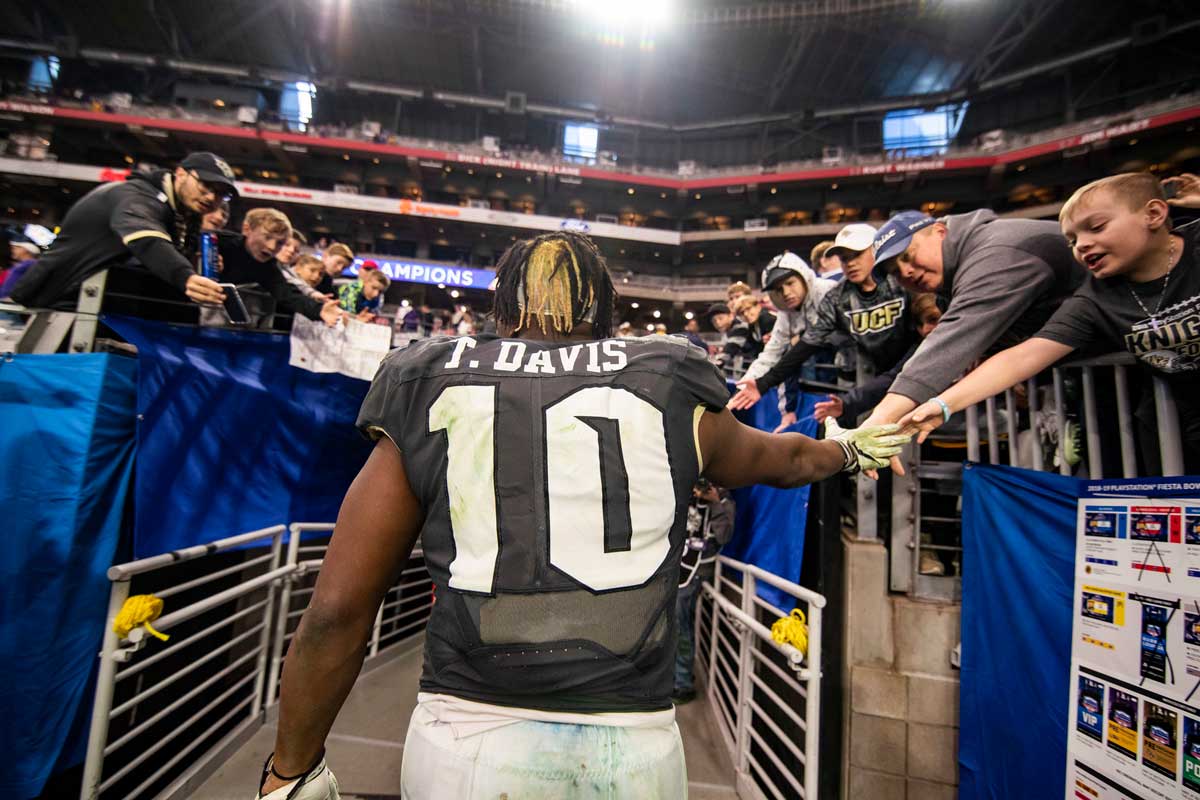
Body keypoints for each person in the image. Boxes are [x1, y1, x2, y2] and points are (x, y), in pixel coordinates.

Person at [256, 230, 910, 800]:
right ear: (604, 310)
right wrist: (846, 449)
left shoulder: (431, 373)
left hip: (464, 735)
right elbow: (784, 460)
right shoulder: (668, 374)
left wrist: (293, 769)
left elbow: (339, 609)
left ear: (502, 304)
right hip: (632, 746)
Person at [901, 173, 1200, 472]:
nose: (1082, 245)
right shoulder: (1094, 300)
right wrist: (944, 405)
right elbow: (1023, 357)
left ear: (1154, 214)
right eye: (1072, 240)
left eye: (1096, 228)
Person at [857, 207, 1086, 437]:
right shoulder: (948, 289)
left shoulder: (996, 251)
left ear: (940, 231)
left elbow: (951, 343)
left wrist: (882, 416)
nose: (905, 271)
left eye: (907, 256)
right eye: (895, 271)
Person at [729, 223, 916, 421]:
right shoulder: (837, 297)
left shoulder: (900, 279)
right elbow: (800, 347)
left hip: (910, 366)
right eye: (844, 258)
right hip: (863, 376)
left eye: (857, 255)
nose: (850, 263)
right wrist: (760, 383)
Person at [8, 151, 235, 310]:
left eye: (221, 194)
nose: (211, 197)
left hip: (107, 310)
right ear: (181, 173)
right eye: (206, 185)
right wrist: (186, 276)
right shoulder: (135, 195)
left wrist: (193, 264)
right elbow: (146, 239)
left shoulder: (185, 214)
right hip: (59, 305)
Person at [724, 251, 836, 409]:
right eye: (778, 289)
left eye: (790, 283)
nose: (786, 293)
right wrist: (741, 389)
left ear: (804, 277)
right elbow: (771, 354)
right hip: (836, 380)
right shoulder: (786, 314)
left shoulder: (828, 291)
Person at [815, 293, 941, 423]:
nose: (927, 329)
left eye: (935, 319)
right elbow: (893, 379)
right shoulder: (920, 352)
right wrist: (847, 404)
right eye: (926, 322)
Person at [216, 208, 344, 326]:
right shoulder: (216, 242)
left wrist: (319, 310)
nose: (272, 247)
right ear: (247, 229)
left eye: (280, 242)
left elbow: (287, 294)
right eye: (267, 237)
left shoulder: (268, 266)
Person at [674, 479, 734, 704]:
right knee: (672, 623)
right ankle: (675, 677)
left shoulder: (724, 501)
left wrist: (715, 503)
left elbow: (723, 536)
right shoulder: (686, 496)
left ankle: (682, 683)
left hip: (698, 568)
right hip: (678, 566)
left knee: (681, 623)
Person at [725, 293, 776, 362]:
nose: (746, 314)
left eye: (748, 309)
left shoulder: (768, 320)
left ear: (758, 306)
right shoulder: (752, 325)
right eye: (742, 313)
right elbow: (749, 346)